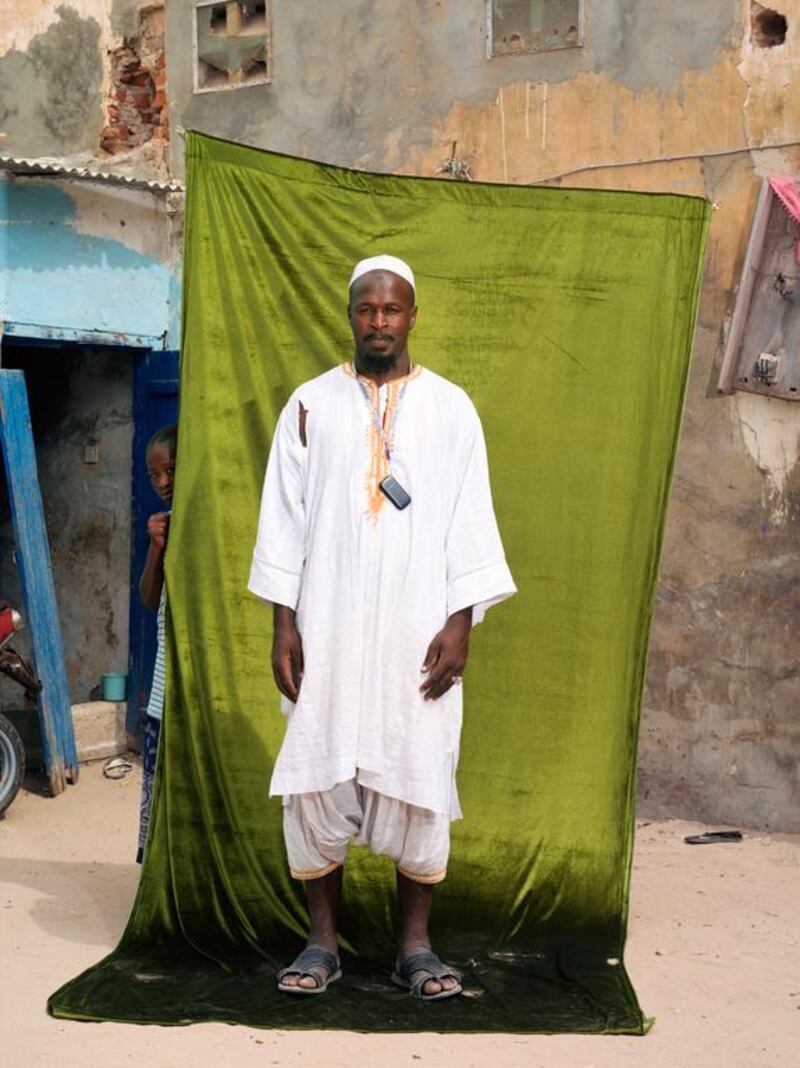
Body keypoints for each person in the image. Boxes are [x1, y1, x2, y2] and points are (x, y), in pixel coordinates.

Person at [248, 255, 516, 999]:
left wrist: (462, 623)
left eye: (391, 309)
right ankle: (321, 945)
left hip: (415, 630)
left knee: (420, 770)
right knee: (316, 777)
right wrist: (284, 626)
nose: (378, 321)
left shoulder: (452, 409)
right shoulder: (309, 405)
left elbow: (470, 521)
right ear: (350, 315)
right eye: (366, 308)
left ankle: (416, 950)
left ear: (413, 316)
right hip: (325, 627)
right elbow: (283, 525)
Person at [136, 424, 176, 864]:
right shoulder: (164, 529)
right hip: (159, 701)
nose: (162, 483)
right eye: (154, 475)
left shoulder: (203, 534)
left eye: (172, 470)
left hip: (185, 701)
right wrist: (156, 547)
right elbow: (149, 598)